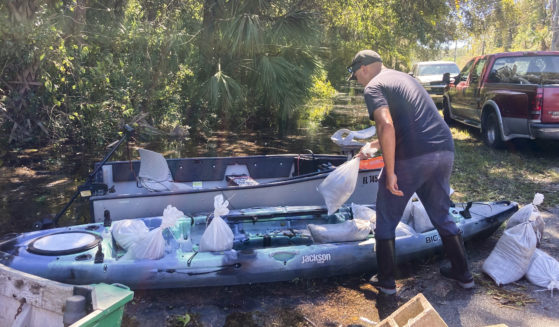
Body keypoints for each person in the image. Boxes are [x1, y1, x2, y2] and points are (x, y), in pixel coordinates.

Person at [347, 50, 474, 295]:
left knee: (385, 218)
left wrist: (391, 171)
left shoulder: (373, 86)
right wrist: (374, 147)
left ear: (363, 68)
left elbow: (385, 124)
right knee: (442, 214)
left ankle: (386, 284)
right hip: (443, 149)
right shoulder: (404, 78)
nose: (359, 82)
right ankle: (464, 274)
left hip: (413, 156)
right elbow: (406, 124)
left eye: (356, 76)